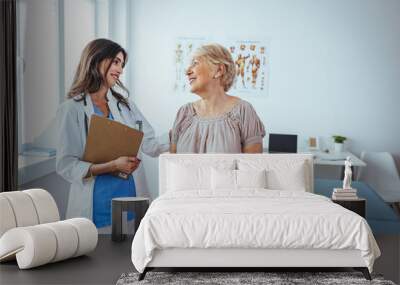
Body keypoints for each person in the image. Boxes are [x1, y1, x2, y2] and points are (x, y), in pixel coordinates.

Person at [56, 39, 169, 230]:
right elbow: (66, 164)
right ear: (97, 59)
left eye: (121, 64)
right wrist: (113, 165)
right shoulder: (72, 109)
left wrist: (180, 133)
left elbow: (149, 144)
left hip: (130, 196)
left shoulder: (125, 105)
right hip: (95, 203)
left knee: (131, 254)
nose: (120, 69)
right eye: (116, 62)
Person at [170, 43, 265, 153]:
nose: (187, 72)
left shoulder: (244, 111)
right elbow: (172, 165)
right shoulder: (183, 113)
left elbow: (251, 166)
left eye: (195, 63)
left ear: (219, 70)